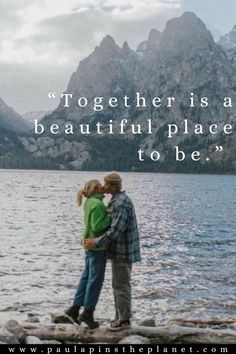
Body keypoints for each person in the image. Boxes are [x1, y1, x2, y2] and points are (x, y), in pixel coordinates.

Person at [84, 172, 141, 331]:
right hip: (119, 250)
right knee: (118, 284)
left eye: (107, 184)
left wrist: (94, 242)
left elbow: (116, 231)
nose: (103, 187)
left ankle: (124, 321)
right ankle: (119, 317)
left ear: (114, 186)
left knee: (121, 285)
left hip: (123, 251)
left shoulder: (121, 203)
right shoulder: (116, 201)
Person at [65, 179, 112, 329]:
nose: (104, 187)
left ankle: (74, 309)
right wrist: (110, 216)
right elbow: (97, 227)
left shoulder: (90, 202)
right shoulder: (97, 204)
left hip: (88, 246)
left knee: (86, 277)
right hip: (97, 248)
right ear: (96, 189)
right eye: (101, 185)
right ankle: (88, 313)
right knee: (95, 280)